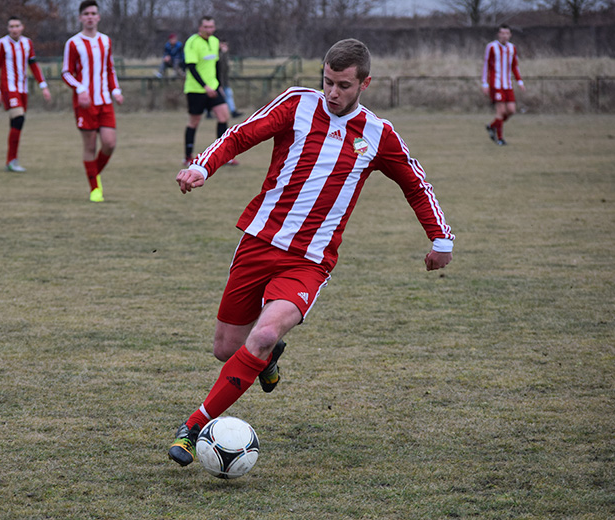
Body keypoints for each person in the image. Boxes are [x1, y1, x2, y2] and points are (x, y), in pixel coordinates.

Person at [168, 38, 455, 467]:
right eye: (327, 81)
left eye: (343, 85)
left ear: (364, 84)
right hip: (259, 241)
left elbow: (415, 184)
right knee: (227, 349)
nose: (332, 93)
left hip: (309, 260)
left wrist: (441, 238)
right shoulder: (297, 104)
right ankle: (266, 359)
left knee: (263, 335)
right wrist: (202, 166)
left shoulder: (378, 134)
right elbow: (242, 134)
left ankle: (192, 427)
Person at [61, 0, 124, 202]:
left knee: (110, 143)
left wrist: (116, 90)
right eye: (86, 14)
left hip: (104, 101)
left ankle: (93, 174)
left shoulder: (106, 41)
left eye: (93, 13)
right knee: (89, 146)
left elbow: (110, 69)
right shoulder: (73, 43)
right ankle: (95, 188)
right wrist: (80, 89)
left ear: (98, 17)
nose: (90, 17)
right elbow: (66, 72)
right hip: (85, 104)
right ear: (80, 17)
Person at [0, 16, 51, 172]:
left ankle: (11, 161)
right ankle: (12, 160)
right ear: (8, 28)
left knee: (15, 123)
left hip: (23, 89)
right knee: (19, 119)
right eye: (11, 26)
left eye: (17, 26)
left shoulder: (27, 43)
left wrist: (43, 86)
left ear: (22, 27)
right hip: (8, 88)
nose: (14, 29)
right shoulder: (1, 43)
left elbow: (33, 64)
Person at [182, 15, 233, 167]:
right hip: (196, 89)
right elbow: (191, 67)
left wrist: (218, 85)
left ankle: (222, 155)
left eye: (211, 27)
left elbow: (216, 65)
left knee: (223, 116)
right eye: (206, 27)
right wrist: (205, 86)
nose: (209, 29)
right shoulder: (192, 43)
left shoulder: (215, 41)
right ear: (200, 27)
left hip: (214, 88)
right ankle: (188, 156)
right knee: (194, 121)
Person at [482, 23, 525, 146]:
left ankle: (492, 126)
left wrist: (520, 81)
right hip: (495, 85)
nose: (504, 35)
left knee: (511, 110)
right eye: (502, 33)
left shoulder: (512, 48)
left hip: (508, 85)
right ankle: (500, 139)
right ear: (498, 34)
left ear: (510, 35)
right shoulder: (491, 47)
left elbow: (514, 66)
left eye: (507, 33)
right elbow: (486, 65)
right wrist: (484, 83)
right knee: (500, 111)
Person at [219, 39, 242, 118]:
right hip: (218, 81)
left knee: (229, 94)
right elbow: (220, 67)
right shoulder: (218, 54)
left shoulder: (225, 55)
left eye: (226, 45)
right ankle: (209, 112)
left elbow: (226, 69)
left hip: (225, 81)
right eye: (223, 45)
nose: (225, 47)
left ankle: (233, 111)